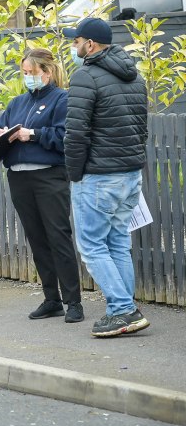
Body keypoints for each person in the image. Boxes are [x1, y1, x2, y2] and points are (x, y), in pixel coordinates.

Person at [64, 17, 149, 337]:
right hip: (129, 175)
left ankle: (123, 309)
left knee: (92, 246)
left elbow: (76, 134)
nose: (74, 46)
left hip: (98, 177)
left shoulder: (85, 76)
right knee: (116, 242)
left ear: (91, 45)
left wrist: (75, 175)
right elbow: (141, 128)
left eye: (76, 41)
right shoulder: (134, 75)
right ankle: (125, 309)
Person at [0, 48, 83, 323]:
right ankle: (51, 299)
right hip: (19, 176)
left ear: (46, 72)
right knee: (36, 238)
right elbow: (1, 127)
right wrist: (2, 135)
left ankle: (74, 301)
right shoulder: (17, 102)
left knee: (58, 236)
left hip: (48, 176)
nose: (28, 78)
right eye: (24, 73)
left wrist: (31, 134)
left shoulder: (61, 99)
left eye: (32, 73)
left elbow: (62, 135)